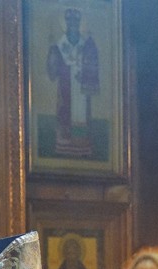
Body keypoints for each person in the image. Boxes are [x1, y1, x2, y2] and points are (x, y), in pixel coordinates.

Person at [46, 7, 99, 157]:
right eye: (70, 22)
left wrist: (86, 72)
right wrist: (52, 54)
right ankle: (64, 145)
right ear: (66, 24)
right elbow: (53, 69)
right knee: (65, 111)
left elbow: (92, 64)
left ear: (79, 24)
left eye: (76, 22)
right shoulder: (59, 45)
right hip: (66, 86)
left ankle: (82, 146)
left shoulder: (86, 44)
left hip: (81, 87)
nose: (73, 25)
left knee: (82, 114)